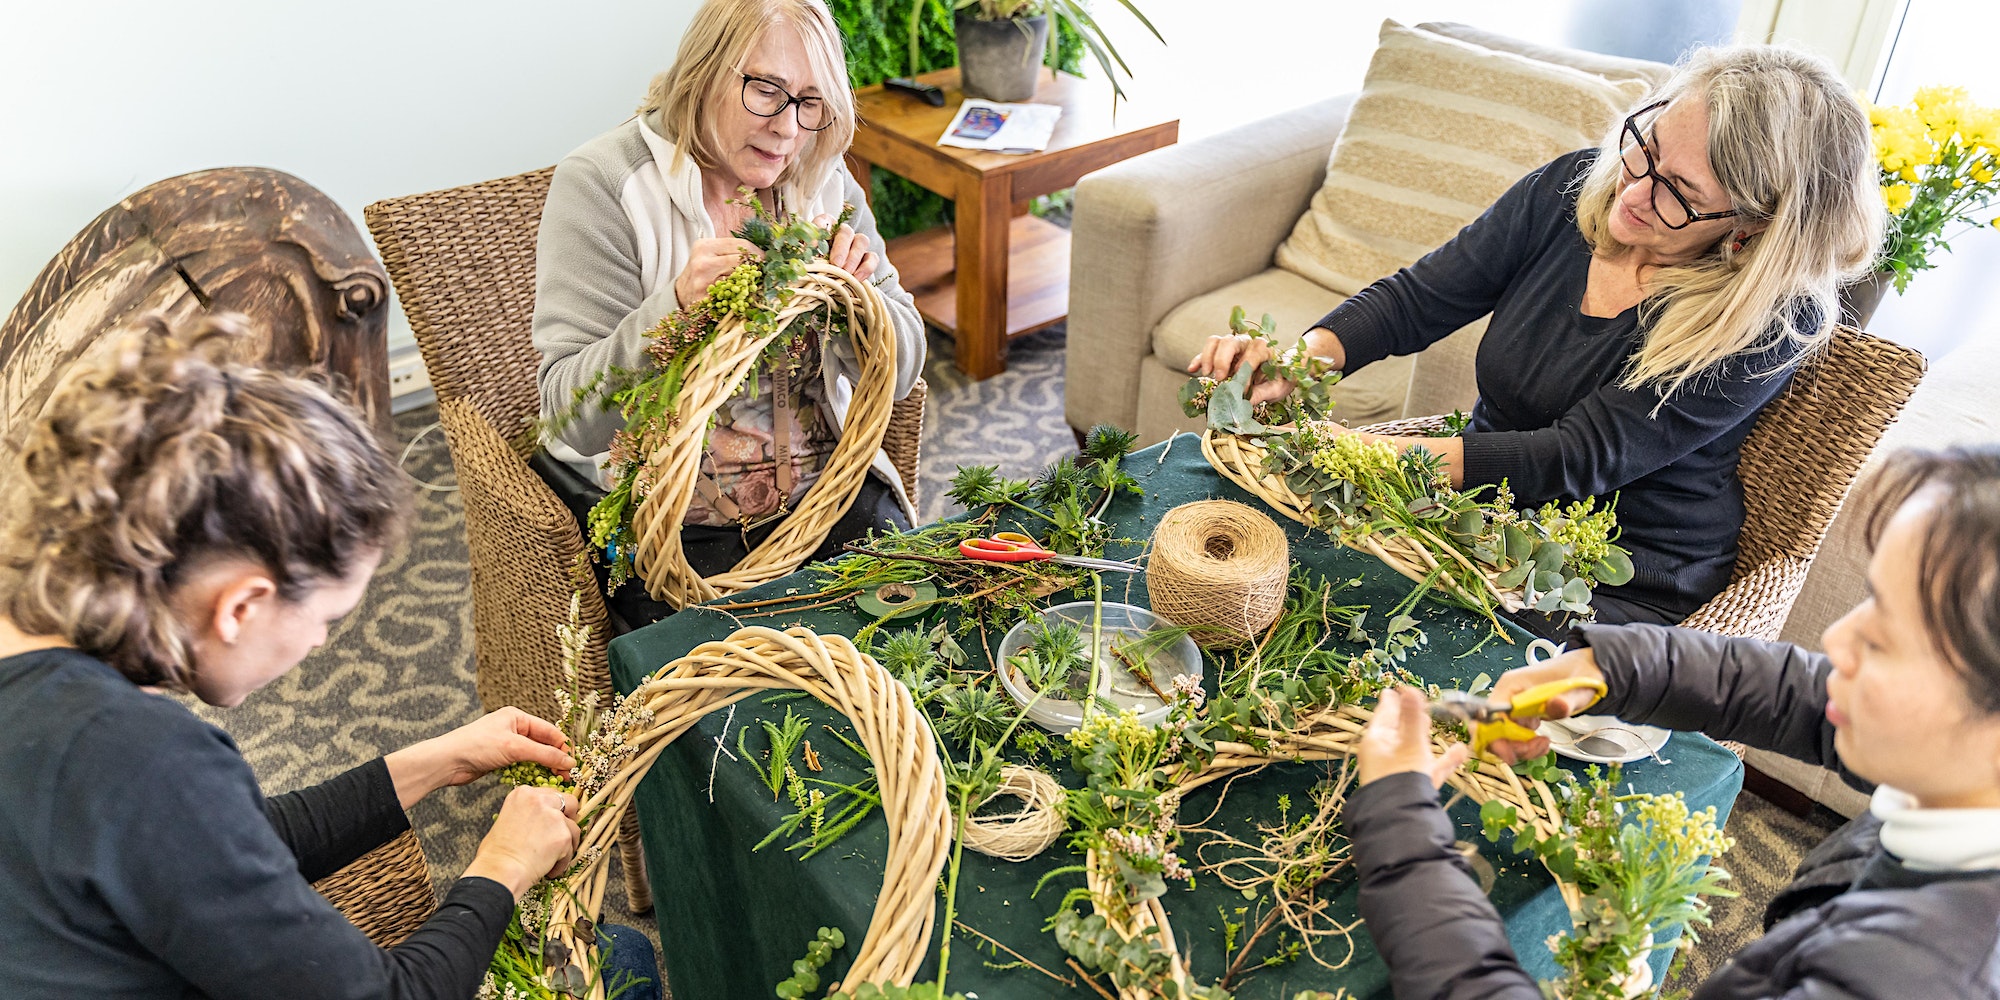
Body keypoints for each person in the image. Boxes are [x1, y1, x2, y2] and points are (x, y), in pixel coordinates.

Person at [0, 315, 658, 999]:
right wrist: (506, 862)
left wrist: (438, 760)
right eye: (325, 619)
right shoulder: (146, 758)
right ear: (242, 606)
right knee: (623, 964)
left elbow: (220, 840)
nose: (318, 643)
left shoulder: (48, 690)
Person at [1189, 45, 1884, 633]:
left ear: (1752, 227)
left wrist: (1365, 456)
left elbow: (1575, 458)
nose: (1633, 192)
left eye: (1677, 191)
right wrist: (1298, 364)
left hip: (1613, 582)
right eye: (1646, 146)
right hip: (1479, 515)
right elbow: (1418, 300)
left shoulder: (1764, 323)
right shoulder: (1570, 189)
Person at [1348, 444, 2000, 999]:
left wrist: (1399, 833)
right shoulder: (1953, 776)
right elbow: (1801, 695)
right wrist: (1612, 669)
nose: (1837, 642)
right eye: (1870, 603)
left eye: (1886, 639)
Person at [532, 0, 927, 626]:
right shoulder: (604, 185)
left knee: (925, 642)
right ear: (705, 70)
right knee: (745, 703)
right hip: (679, 537)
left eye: (809, 101)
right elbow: (569, 414)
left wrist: (861, 304)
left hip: (832, 495)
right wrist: (676, 309)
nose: (788, 129)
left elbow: (903, 370)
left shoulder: (823, 180)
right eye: (766, 90)